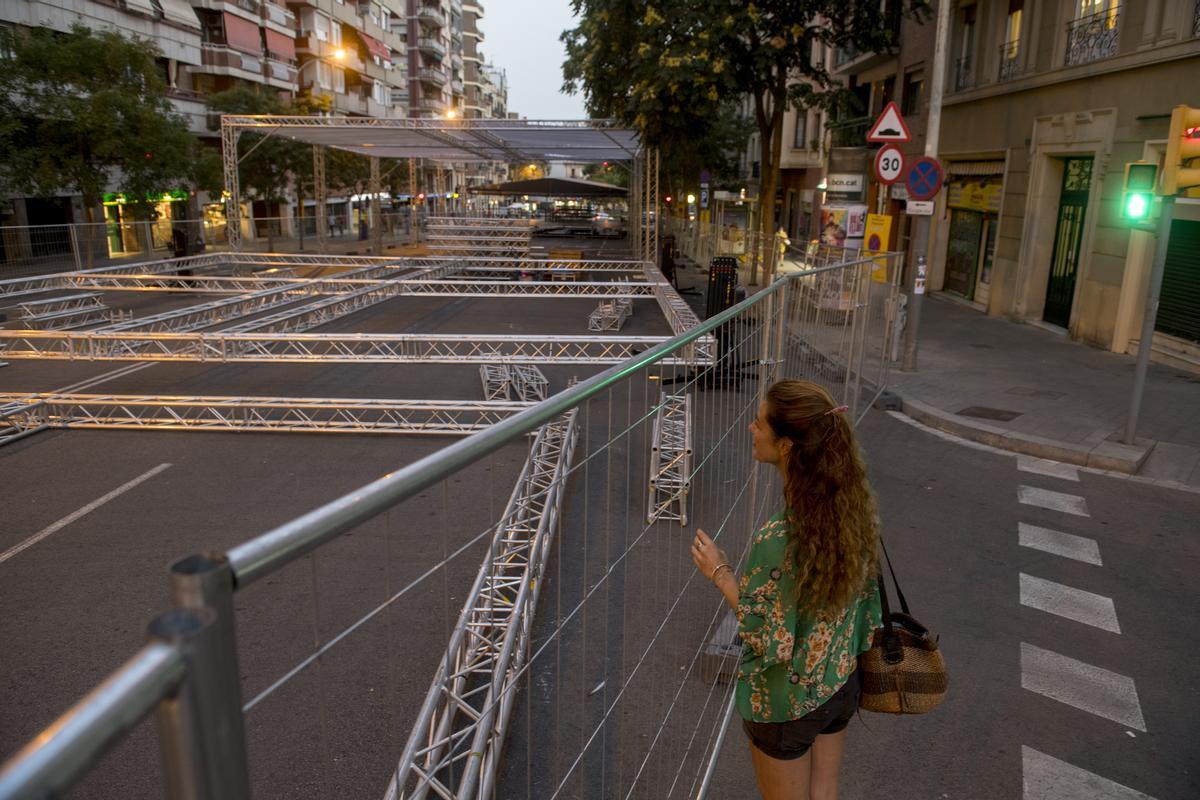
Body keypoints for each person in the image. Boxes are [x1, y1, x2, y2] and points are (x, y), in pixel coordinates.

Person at [691, 379, 882, 800]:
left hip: (786, 703)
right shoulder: (854, 511)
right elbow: (868, 606)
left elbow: (768, 638)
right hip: (839, 683)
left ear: (787, 447)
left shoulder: (779, 537)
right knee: (824, 793)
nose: (750, 429)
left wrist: (720, 572)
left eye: (759, 424)